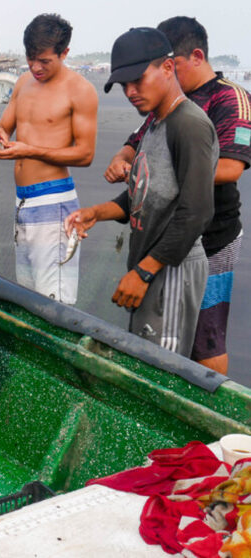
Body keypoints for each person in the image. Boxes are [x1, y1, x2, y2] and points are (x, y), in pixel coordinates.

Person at [104, 17, 251, 374]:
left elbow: (232, 167)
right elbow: (135, 144)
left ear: (191, 58)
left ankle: (210, 411)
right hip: (166, 234)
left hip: (213, 236)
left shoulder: (231, 98)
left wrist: (165, 176)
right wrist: (124, 162)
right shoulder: (167, 103)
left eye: (174, 63)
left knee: (207, 332)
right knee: (167, 326)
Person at [65, 27, 216, 357]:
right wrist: (96, 213)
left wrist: (144, 271)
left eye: (138, 80)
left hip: (171, 272)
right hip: (151, 268)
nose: (131, 91)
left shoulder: (188, 124)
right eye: (123, 85)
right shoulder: (155, 123)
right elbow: (145, 195)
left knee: (161, 368)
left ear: (167, 68)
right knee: (143, 357)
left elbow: (197, 212)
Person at [0, 14, 97, 304]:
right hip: (22, 202)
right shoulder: (23, 82)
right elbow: (4, 124)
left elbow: (85, 154)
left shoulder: (80, 90)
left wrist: (30, 150)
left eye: (44, 61)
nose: (35, 67)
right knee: (28, 295)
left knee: (54, 301)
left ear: (64, 53)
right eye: (30, 58)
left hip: (54, 204)